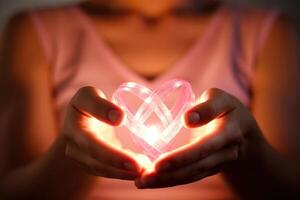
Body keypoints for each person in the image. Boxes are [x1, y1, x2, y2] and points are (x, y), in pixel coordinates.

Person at [0, 0, 299, 199]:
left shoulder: (267, 31)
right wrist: (70, 157)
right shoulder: (34, 31)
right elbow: (13, 190)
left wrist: (247, 154)